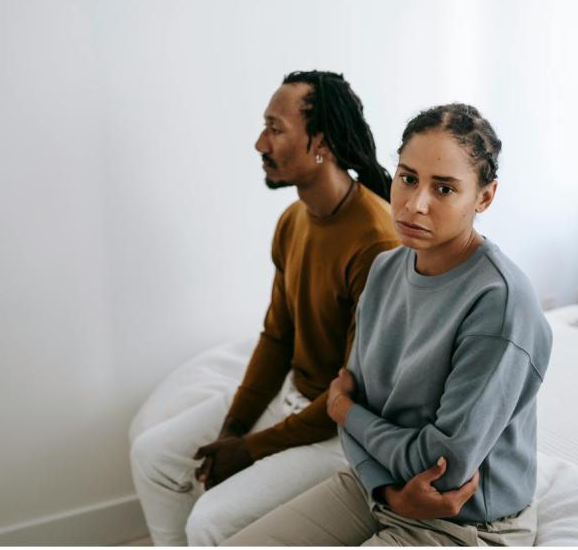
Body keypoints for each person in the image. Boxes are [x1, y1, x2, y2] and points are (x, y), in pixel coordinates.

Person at [224, 103, 553, 546]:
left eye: (444, 189)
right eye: (408, 178)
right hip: (377, 489)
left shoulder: (499, 304)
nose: (415, 204)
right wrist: (384, 488)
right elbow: (352, 395)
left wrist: (345, 412)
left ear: (485, 197)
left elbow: (445, 464)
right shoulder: (384, 270)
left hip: (466, 521)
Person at [129, 70, 401, 546]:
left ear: (322, 142)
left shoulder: (376, 242)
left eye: (275, 129)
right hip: (293, 398)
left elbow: (356, 392)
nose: (260, 143)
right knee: (153, 456)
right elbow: (277, 337)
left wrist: (249, 449)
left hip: (338, 430)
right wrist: (233, 427)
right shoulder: (294, 220)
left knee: (210, 521)